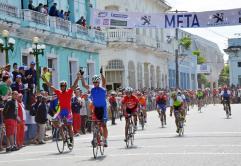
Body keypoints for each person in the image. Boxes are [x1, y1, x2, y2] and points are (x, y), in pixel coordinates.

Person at [41, 72, 81, 146]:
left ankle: (71, 140)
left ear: (65, 86)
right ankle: (64, 140)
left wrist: (78, 78)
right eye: (61, 86)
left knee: (69, 126)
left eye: (63, 86)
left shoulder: (69, 92)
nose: (62, 87)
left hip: (68, 112)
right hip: (61, 112)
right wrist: (45, 80)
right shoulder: (58, 92)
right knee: (60, 126)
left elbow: (74, 85)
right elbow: (51, 86)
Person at [80, 67, 108, 147]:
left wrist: (101, 74)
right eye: (94, 82)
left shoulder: (102, 88)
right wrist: (82, 76)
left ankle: (105, 140)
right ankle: (96, 137)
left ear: (98, 82)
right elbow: (84, 85)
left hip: (103, 109)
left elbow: (104, 82)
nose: (95, 83)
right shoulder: (92, 88)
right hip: (96, 109)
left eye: (96, 82)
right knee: (96, 124)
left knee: (104, 125)